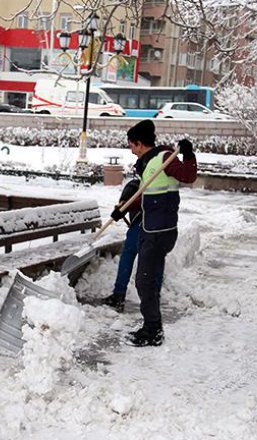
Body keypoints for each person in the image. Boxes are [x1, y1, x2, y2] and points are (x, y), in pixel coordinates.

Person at [115, 119, 197, 347]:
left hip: (160, 232)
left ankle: (153, 330)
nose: (131, 151)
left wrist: (189, 154)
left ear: (140, 144)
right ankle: (151, 326)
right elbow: (145, 194)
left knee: (144, 282)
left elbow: (188, 176)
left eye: (132, 146)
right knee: (148, 281)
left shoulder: (163, 159)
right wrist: (121, 209)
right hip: (150, 228)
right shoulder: (150, 163)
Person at [100, 178, 162, 313]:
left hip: (143, 226)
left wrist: (123, 208)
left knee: (128, 255)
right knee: (154, 261)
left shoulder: (136, 186)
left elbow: (133, 203)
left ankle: (119, 295)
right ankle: (153, 297)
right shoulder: (157, 183)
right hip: (160, 226)